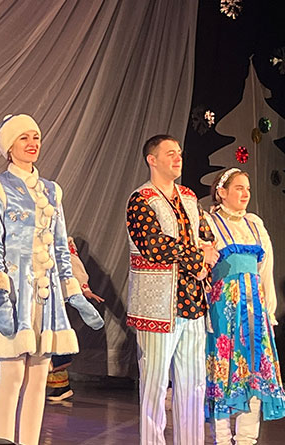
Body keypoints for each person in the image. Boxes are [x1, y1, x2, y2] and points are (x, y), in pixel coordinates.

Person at [0, 114, 104, 444]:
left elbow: (60, 244)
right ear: (9, 147)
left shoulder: (52, 191)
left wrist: (72, 291)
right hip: (14, 293)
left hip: (46, 294)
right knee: (12, 375)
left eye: (36, 137)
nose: (32, 143)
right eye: (24, 138)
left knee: (40, 377)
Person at [125, 134, 219, 445]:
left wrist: (205, 257)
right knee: (154, 384)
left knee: (193, 383)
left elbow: (206, 237)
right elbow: (155, 246)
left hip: (192, 301)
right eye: (170, 153)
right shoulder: (141, 199)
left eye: (179, 152)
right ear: (152, 160)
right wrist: (197, 257)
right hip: (157, 305)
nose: (178, 158)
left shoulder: (189, 197)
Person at [204, 168, 285, 444]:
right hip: (223, 309)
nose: (245, 193)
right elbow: (202, 269)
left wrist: (269, 310)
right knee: (224, 372)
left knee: (254, 373)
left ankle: (247, 439)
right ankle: (222, 438)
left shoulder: (254, 224)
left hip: (254, 311)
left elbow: (266, 270)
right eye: (239, 188)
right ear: (222, 192)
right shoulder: (209, 223)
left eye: (247, 188)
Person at [46, 237, 105, 402]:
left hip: (53, 296)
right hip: (33, 294)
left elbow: (73, 265)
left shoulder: (60, 239)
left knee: (54, 339)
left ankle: (60, 387)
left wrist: (84, 289)